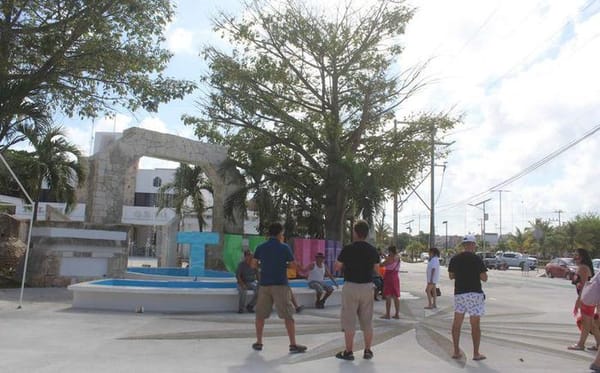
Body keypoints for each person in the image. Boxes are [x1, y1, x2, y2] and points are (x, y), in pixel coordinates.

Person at [251, 222, 307, 353]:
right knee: (288, 315)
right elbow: (293, 266)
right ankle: (293, 344)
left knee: (260, 315)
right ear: (279, 233)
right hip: (280, 285)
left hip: (264, 285)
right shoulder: (284, 248)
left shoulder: (261, 247)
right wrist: (289, 266)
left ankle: (259, 342)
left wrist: (264, 266)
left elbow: (254, 265)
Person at [334, 219, 380, 361]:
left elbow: (337, 266)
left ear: (355, 232)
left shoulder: (348, 248)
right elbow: (377, 270)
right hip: (367, 286)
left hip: (351, 286)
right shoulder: (372, 250)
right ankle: (367, 350)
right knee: (367, 321)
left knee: (349, 320)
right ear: (366, 234)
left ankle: (349, 352)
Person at [448, 234, 488, 361]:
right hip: (475, 294)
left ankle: (456, 351)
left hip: (460, 293)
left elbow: (451, 276)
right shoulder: (477, 259)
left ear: (463, 245)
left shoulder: (455, 259)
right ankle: (476, 353)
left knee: (457, 323)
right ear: (473, 245)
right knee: (475, 324)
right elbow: (484, 278)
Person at [568, 248, 600, 351]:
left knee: (586, 323)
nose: (574, 256)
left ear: (582, 257)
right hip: (588, 298)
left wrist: (579, 299)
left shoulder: (583, 268)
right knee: (591, 324)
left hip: (586, 298)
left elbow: (584, 285)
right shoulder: (582, 267)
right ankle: (599, 344)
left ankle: (581, 344)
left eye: (576, 255)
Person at [379, 245, 401, 319]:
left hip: (389, 277)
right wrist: (385, 256)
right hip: (395, 277)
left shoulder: (390, 258)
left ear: (390, 251)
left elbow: (382, 265)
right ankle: (397, 314)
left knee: (388, 296)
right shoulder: (397, 257)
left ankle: (388, 314)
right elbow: (391, 261)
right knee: (395, 296)